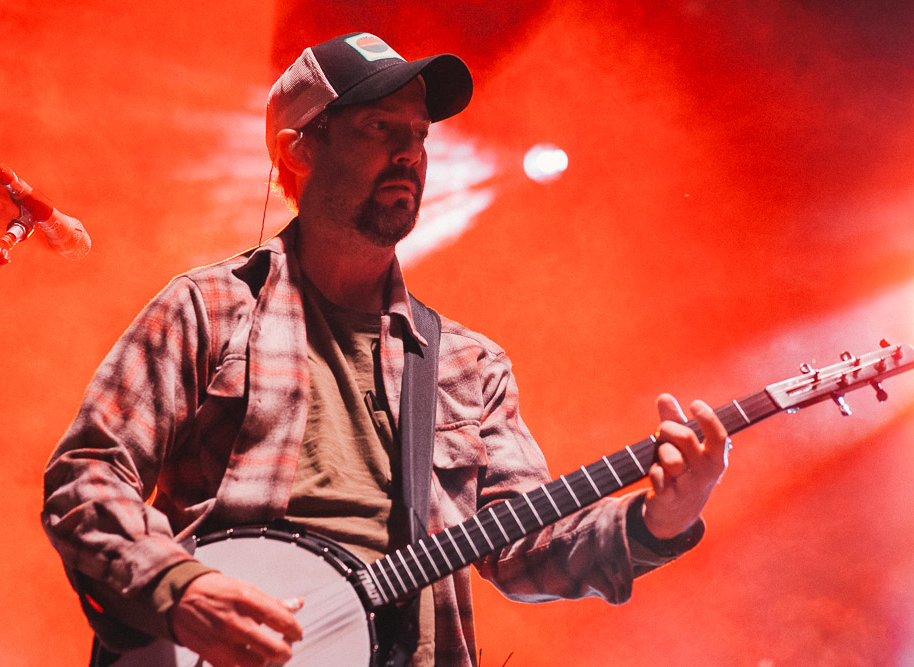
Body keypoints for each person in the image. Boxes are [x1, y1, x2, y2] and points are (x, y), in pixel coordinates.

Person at [42, 32, 730, 667]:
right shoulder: (207, 308)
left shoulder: (468, 364)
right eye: (379, 127)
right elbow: (86, 475)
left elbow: (528, 552)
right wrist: (178, 590)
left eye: (419, 136)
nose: (410, 152)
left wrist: (659, 519)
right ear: (298, 150)